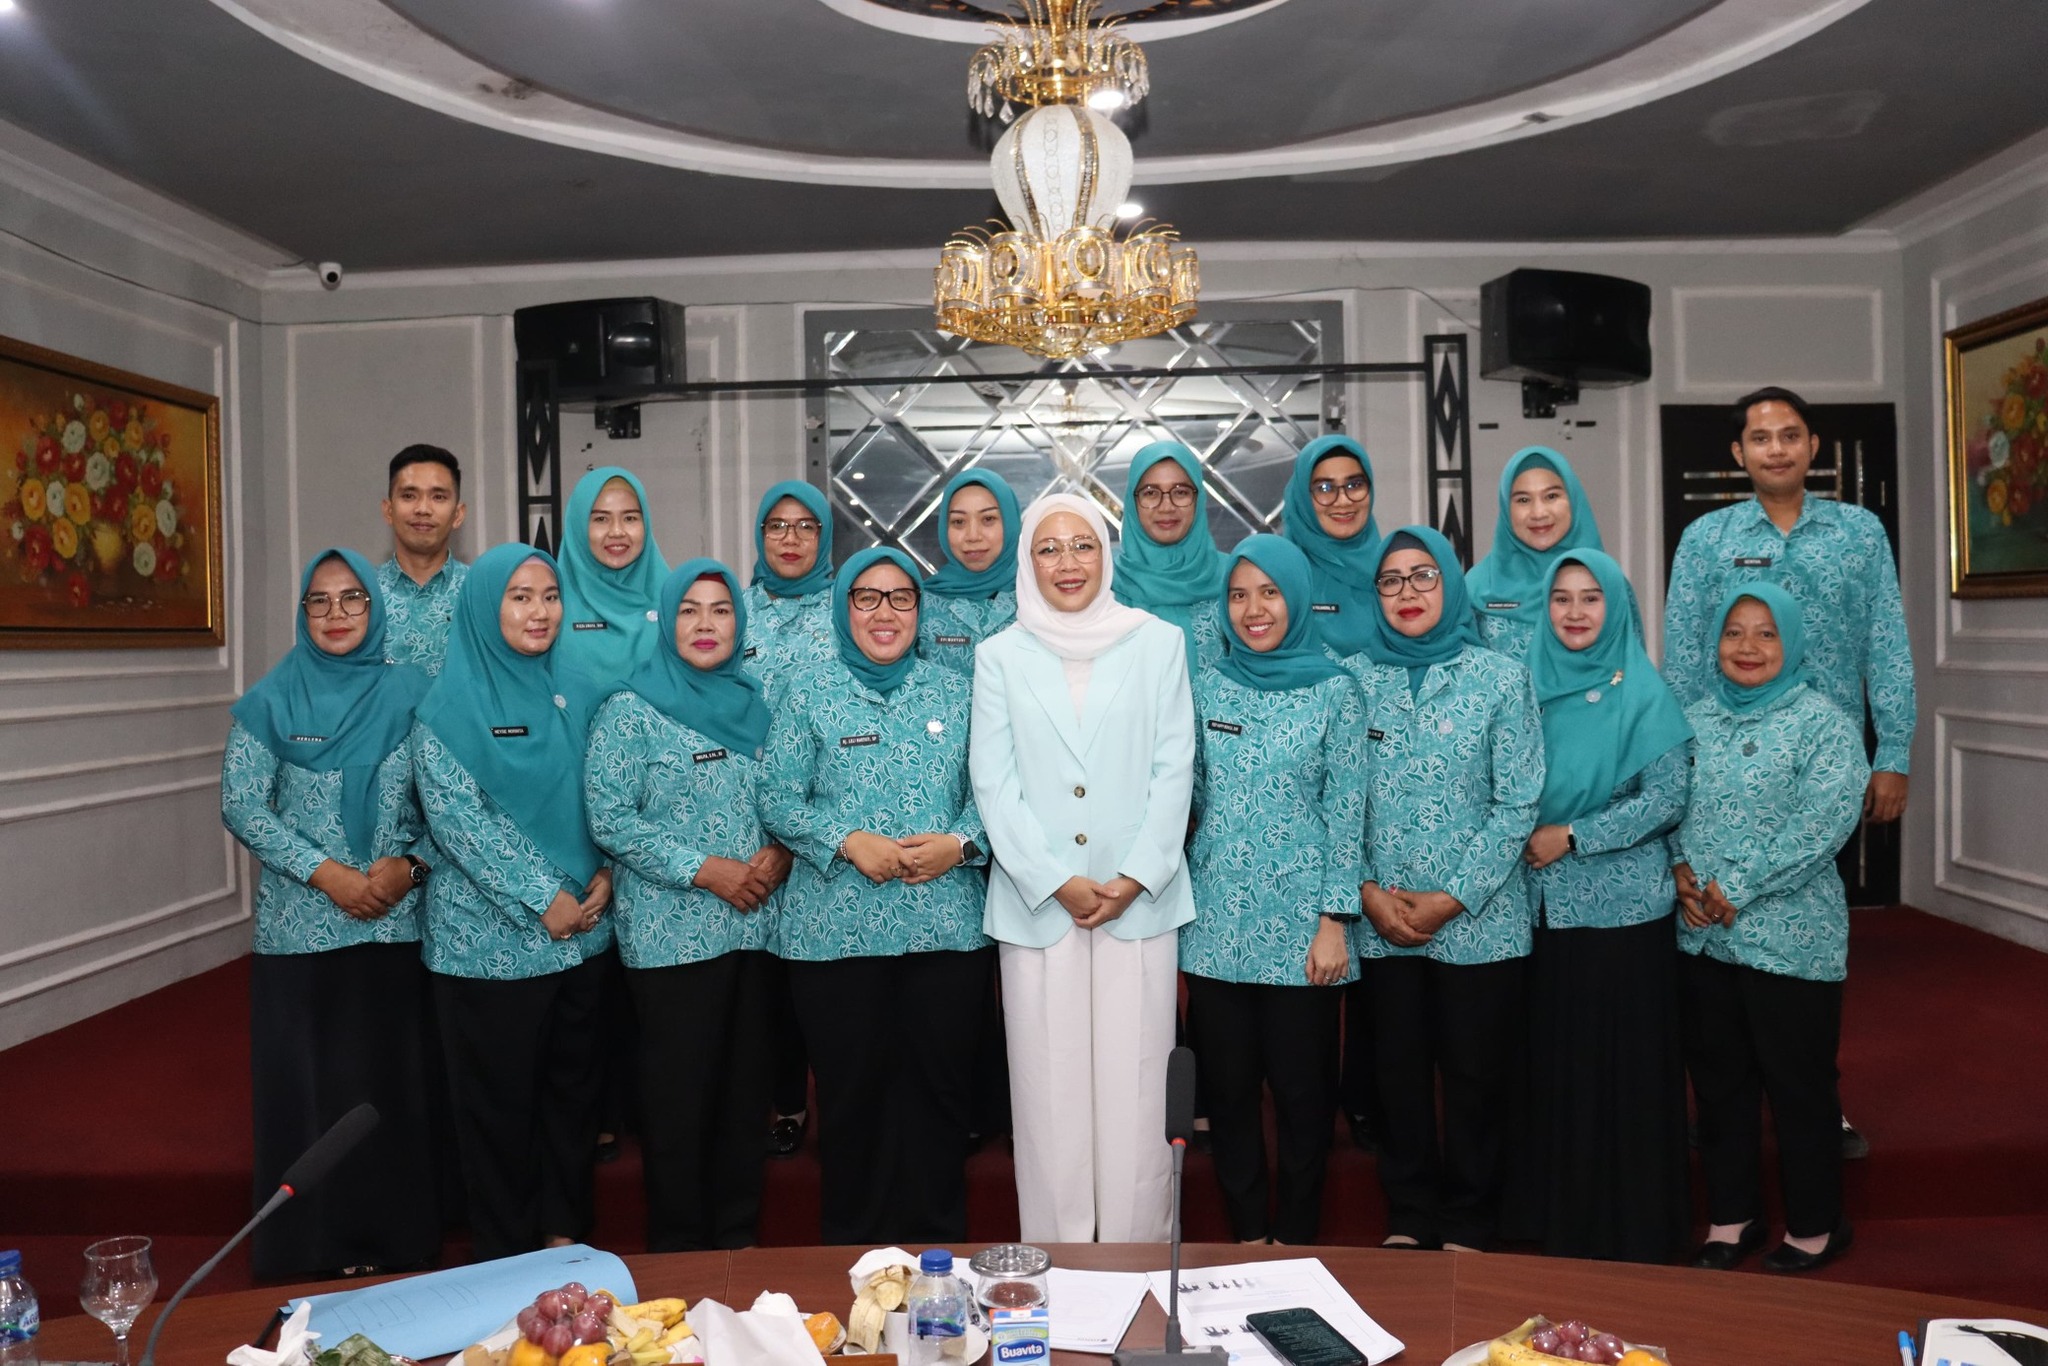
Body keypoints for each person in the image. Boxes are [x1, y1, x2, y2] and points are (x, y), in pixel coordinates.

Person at [1661, 386, 1913, 1158]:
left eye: (1790, 435)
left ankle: (1814, 1100)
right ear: (1738, 454)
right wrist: (1674, 765)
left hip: (1821, 772)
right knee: (1713, 928)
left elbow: (1888, 647)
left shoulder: (1859, 533)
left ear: (1813, 448)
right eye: (1760, 437)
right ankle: (1725, 1099)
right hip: (1721, 767)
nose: (1775, 448)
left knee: (1800, 936)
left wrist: (1893, 752)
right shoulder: (1706, 537)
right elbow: (1679, 656)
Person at [970, 493, 1195, 1243]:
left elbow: (1176, 767)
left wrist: (1135, 874)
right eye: (1048, 548)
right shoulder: (998, 655)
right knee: (1050, 1096)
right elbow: (992, 782)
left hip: (1138, 901)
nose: (1067, 563)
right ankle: (1061, 1265)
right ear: (1027, 562)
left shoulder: (1158, 642)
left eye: (1083, 546)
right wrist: (1053, 877)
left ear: (1107, 554)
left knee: (1135, 1091)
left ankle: (1136, 1259)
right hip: (1040, 905)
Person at [759, 548, 991, 1245]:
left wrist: (963, 842)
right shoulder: (806, 690)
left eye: (900, 598)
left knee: (940, 1102)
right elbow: (775, 795)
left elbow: (1000, 793)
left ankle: (937, 1260)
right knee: (853, 1105)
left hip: (945, 934)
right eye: (866, 597)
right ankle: (853, 1261)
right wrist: (844, 838)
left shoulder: (958, 692)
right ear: (843, 608)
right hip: (835, 937)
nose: (884, 612)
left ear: (920, 613)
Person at [221, 547, 438, 1278]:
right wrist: (330, 876)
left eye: (353, 600)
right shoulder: (271, 699)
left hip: (393, 927)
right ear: (302, 611)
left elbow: (444, 800)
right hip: (300, 936)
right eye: (320, 600)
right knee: (306, 1101)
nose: (337, 614)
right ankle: (305, 1258)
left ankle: (391, 1251)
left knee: (386, 1094)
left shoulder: (413, 694)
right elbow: (242, 804)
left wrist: (407, 866)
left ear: (376, 612)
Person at [410, 543, 615, 1260]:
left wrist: (608, 874)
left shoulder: (582, 686)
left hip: (585, 935)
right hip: (487, 951)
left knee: (573, 1101)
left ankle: (564, 1236)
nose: (539, 611)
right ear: (485, 605)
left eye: (550, 596)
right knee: (497, 1114)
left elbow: (609, 793)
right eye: (520, 597)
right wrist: (543, 896)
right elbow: (458, 820)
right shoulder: (447, 707)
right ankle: (503, 1255)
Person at [584, 559, 788, 1251]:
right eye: (690, 611)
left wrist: (782, 851)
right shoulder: (630, 707)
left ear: (741, 621)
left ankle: (736, 1241)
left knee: (742, 1101)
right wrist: (705, 870)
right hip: (671, 940)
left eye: (721, 610)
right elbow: (609, 816)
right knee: (678, 1107)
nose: (706, 625)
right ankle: (679, 1255)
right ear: (667, 622)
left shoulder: (757, 707)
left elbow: (785, 800)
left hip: (757, 932)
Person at [1351, 526, 1543, 1252]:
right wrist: (1367, 894)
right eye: (1391, 580)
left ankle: (1469, 1217)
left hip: (1480, 920)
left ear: (1451, 586)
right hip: (1382, 917)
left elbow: (1518, 801)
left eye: (1423, 576)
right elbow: (1339, 799)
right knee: (1397, 1076)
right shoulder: (1354, 680)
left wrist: (1453, 896)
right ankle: (1408, 1214)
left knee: (1474, 1077)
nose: (1407, 593)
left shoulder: (1500, 677)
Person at [1505, 550, 1692, 1263]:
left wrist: (1576, 834)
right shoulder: (1523, 686)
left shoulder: (1646, 694)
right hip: (1540, 914)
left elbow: (1668, 799)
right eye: (1562, 599)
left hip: (1624, 918)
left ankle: (1633, 1228)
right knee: (1554, 1074)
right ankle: (1560, 1223)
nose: (1577, 612)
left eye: (1592, 599)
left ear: (1617, 608)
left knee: (1622, 1080)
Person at [1180, 534, 1367, 1247]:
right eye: (1238, 594)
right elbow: (1187, 798)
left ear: (1295, 596)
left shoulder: (1336, 689)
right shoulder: (1208, 686)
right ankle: (1249, 1236)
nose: (1254, 609)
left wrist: (1333, 920)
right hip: (1217, 929)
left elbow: (1347, 809)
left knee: (1302, 1098)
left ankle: (1296, 1237)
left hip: (1303, 933)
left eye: (1268, 592)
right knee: (1227, 1099)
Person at [1674, 583, 1867, 1275]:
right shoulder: (1690, 719)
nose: (1747, 647)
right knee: (1721, 1088)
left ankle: (1818, 1227)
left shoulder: (1824, 723)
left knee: (1798, 1086)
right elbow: (1667, 807)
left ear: (1791, 644)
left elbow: (1826, 820)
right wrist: (1681, 874)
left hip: (1792, 941)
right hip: (1704, 938)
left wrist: (1740, 885)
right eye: (1734, 632)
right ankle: (1734, 1218)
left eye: (1765, 634)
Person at [742, 479, 837, 1156]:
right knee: (762, 982)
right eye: (778, 526)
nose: (791, 539)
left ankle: (830, 1100)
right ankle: (779, 1101)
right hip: (738, 817)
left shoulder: (849, 608)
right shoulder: (731, 611)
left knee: (819, 977)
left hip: (826, 816)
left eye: (806, 527)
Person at [1466, 446, 1603, 660]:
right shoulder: (1477, 587)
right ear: (1506, 508)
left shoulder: (1606, 583)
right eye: (1523, 500)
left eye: (1551, 496)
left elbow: (1629, 674)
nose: (1538, 513)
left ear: (1573, 500)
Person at [1112, 441, 1229, 673]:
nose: (1166, 506)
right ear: (1132, 502)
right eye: (1150, 493)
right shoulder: (1107, 585)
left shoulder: (1234, 578)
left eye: (1181, 492)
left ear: (1199, 498)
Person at [555, 466, 671, 683]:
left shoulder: (677, 601)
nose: (617, 531)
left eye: (630, 518)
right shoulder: (549, 604)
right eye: (601, 519)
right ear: (578, 526)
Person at [1279, 435, 1382, 659]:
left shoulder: (1398, 572)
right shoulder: (1278, 577)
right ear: (1303, 498)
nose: (1343, 500)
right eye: (1324, 488)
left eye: (1355, 485)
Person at [377, 444, 468, 676]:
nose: (423, 509)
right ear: (388, 511)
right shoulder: (362, 595)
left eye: (438, 497)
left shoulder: (479, 591)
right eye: (409, 495)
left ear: (458, 515)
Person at [919, 469, 1021, 672]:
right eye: (958, 522)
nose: (972, 536)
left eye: (988, 519)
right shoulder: (919, 605)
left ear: (1010, 523)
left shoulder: (1039, 598)